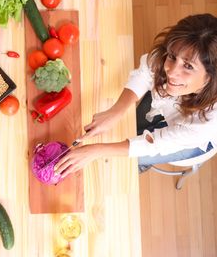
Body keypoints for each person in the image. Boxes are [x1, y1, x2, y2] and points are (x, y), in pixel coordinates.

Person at [54, 13, 217, 178]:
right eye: (172, 57)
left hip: (189, 144)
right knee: (136, 128)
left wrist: (95, 151)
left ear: (211, 77)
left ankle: (142, 163)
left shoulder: (209, 122)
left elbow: (156, 144)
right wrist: (116, 111)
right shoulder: (167, 61)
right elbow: (145, 73)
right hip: (167, 106)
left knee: (132, 159)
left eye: (188, 66)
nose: (171, 72)